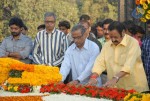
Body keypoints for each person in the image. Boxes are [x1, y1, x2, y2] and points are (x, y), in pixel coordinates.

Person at [87, 21, 149, 92]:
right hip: (115, 89)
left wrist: (115, 78)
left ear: (123, 32)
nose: (113, 39)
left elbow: (128, 65)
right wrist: (94, 77)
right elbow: (100, 62)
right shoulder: (107, 45)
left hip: (134, 88)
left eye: (115, 37)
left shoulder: (133, 43)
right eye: (111, 37)